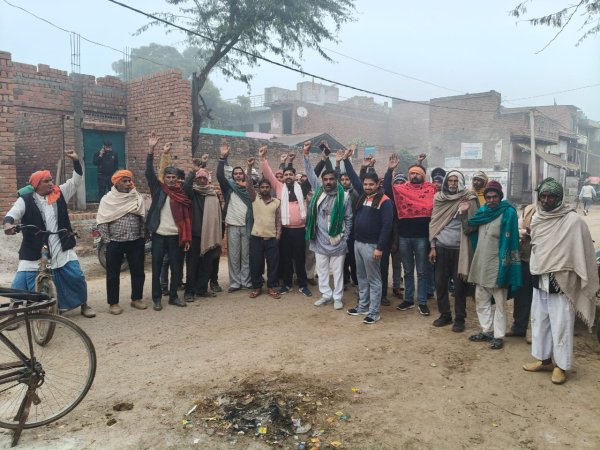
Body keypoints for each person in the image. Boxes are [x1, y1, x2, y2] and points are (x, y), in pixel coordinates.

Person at [3, 150, 95, 318]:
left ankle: (84, 304)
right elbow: (12, 213)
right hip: (34, 247)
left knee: (76, 276)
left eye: (51, 179)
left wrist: (75, 160)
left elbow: (76, 181)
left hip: (61, 244)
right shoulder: (25, 200)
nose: (51, 183)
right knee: (21, 281)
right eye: (47, 181)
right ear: (37, 185)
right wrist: (8, 224)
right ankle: (14, 311)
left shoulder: (60, 193)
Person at [524, 178, 598, 384]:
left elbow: (583, 253)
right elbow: (537, 246)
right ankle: (544, 360)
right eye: (543, 196)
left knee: (561, 324)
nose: (546, 200)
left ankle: (561, 366)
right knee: (539, 321)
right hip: (539, 277)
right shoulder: (538, 217)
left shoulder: (573, 221)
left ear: (559, 198)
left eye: (551, 196)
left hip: (562, 282)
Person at [462, 181, 521, 350]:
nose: (491, 200)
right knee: (481, 300)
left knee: (500, 303)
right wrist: (464, 213)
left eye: (495, 197)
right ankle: (486, 331)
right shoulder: (483, 211)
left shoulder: (508, 212)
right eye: (488, 197)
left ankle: (498, 336)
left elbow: (511, 240)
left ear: (500, 197)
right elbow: (468, 230)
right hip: (481, 263)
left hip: (499, 264)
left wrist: (506, 266)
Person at [343, 155, 393, 324]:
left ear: (378, 184)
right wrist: (346, 160)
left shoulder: (385, 201)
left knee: (374, 279)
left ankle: (374, 312)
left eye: (371, 184)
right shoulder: (363, 196)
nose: (367, 187)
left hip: (372, 246)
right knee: (361, 277)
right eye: (365, 184)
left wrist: (380, 248)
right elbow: (353, 178)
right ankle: (363, 306)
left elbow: (387, 227)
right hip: (358, 243)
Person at [384, 154, 436, 316]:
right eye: (412, 173)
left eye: (417, 173)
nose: (414, 176)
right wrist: (389, 170)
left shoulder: (431, 190)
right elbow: (387, 189)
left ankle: (422, 302)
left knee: (421, 271)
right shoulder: (402, 190)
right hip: (404, 237)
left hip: (422, 237)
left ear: (423, 176)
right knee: (407, 271)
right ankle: (408, 299)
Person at [146, 133, 191, 311]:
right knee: (157, 268)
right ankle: (157, 299)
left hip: (175, 236)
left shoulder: (182, 193)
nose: (171, 179)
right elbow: (149, 173)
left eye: (174, 177)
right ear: (164, 178)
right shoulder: (158, 190)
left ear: (177, 179)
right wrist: (151, 150)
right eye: (168, 177)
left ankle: (173, 297)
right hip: (159, 235)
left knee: (176, 268)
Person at [303, 146, 353, 310]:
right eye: (325, 180)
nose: (328, 182)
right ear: (322, 181)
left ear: (336, 180)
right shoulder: (319, 191)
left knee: (337, 272)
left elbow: (348, 218)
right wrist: (306, 156)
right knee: (322, 270)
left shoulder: (344, 196)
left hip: (337, 240)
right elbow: (310, 174)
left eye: (331, 179)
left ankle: (337, 297)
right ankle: (326, 295)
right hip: (319, 239)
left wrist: (345, 239)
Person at [260, 144, 312, 297]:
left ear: (295, 176)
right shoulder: (279, 187)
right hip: (286, 230)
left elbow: (312, 173)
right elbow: (268, 174)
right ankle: (287, 284)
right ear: (283, 177)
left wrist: (307, 155)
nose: (288, 176)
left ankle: (303, 285)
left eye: (291, 174)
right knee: (286, 259)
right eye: (286, 174)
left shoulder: (302, 188)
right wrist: (263, 158)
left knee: (300, 259)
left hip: (300, 230)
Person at [428, 171, 478, 332]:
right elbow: (434, 223)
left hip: (460, 249)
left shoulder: (469, 198)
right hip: (441, 247)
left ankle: (460, 318)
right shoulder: (439, 198)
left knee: (460, 286)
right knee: (440, 283)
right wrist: (433, 247)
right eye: (450, 180)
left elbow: (473, 225)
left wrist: (464, 212)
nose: (452, 183)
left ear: (461, 182)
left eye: (456, 181)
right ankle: (445, 314)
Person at [96, 169, 147, 315]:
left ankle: (136, 299)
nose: (128, 183)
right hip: (115, 242)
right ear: (116, 183)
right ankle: (113, 303)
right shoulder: (108, 199)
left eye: (129, 180)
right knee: (113, 274)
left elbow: (142, 217)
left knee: (138, 271)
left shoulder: (136, 197)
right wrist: (108, 241)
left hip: (135, 241)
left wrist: (141, 237)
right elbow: (102, 221)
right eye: (124, 181)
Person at [183, 161, 223, 300]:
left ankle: (202, 289)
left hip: (209, 236)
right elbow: (186, 186)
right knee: (192, 265)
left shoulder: (213, 194)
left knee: (207, 265)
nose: (201, 180)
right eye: (199, 178)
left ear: (208, 180)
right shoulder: (192, 193)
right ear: (195, 179)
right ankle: (189, 292)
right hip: (194, 236)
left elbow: (218, 216)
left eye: (204, 178)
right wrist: (193, 171)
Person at [217, 142, 253, 293]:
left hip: (247, 226)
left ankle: (246, 281)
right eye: (236, 173)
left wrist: (249, 167)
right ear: (232, 176)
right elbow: (220, 176)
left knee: (246, 255)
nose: (238, 175)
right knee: (233, 256)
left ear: (244, 175)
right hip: (232, 225)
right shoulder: (229, 188)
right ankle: (235, 283)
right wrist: (222, 158)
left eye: (240, 173)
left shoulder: (249, 189)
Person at [246, 157, 282, 299]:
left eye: (267, 187)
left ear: (270, 188)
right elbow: (249, 185)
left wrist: (278, 235)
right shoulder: (255, 199)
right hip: (256, 238)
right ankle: (257, 287)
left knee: (273, 265)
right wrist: (249, 168)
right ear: (259, 189)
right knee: (256, 264)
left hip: (272, 238)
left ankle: (271, 287)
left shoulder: (276, 202)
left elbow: (278, 220)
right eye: (262, 187)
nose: (265, 189)